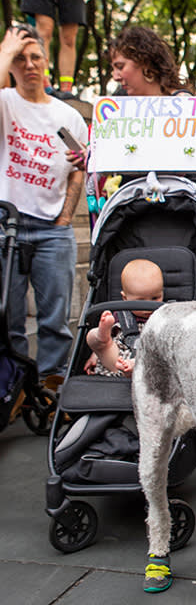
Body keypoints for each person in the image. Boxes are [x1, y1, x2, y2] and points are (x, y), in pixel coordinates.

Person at [0, 24, 87, 378]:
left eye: (36, 57)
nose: (29, 64)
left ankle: (50, 388)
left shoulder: (68, 116)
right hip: (9, 225)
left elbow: (78, 167)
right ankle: (15, 386)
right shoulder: (6, 102)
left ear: (48, 61)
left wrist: (66, 217)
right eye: (21, 59)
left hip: (54, 229)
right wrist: (7, 51)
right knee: (9, 318)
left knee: (56, 320)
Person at [85, 258, 163, 377]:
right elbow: (113, 341)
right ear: (125, 298)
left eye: (155, 298)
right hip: (118, 361)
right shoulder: (120, 315)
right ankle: (100, 338)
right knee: (96, 339)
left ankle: (135, 367)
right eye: (140, 301)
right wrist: (96, 354)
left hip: (150, 365)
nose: (148, 307)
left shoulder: (165, 315)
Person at [108, 26, 190, 97]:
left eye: (120, 67)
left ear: (145, 62)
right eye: (113, 69)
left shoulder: (183, 103)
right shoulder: (120, 101)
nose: (115, 77)